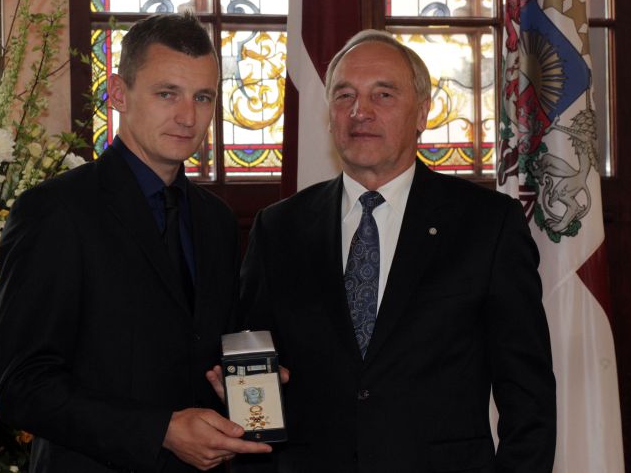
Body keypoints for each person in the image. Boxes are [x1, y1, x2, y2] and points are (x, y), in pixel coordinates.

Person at [237, 30, 556, 472]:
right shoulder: (279, 228)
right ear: (329, 115)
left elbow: (528, 397)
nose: (360, 111)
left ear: (422, 112)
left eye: (383, 95)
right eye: (344, 95)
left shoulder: (487, 225)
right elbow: (252, 373)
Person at [0, 13, 271, 473]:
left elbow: (204, 347)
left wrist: (244, 379)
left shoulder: (216, 219)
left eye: (203, 97)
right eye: (167, 94)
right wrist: (160, 430)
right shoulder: (56, 211)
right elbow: (22, 385)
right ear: (119, 94)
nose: (188, 117)